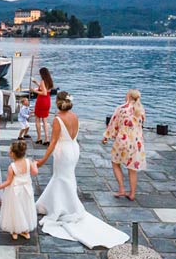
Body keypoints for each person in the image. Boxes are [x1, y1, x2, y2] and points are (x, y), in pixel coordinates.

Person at [35, 91, 129, 249]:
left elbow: (52, 143)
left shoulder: (58, 120)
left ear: (58, 102)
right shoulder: (75, 116)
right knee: (66, 178)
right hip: (74, 149)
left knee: (60, 178)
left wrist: (43, 160)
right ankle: (59, 203)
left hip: (63, 152)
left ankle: (62, 207)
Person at [102, 89, 147, 201]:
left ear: (128, 96)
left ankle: (122, 188)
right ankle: (132, 193)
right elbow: (141, 125)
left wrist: (106, 137)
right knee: (132, 168)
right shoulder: (141, 110)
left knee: (115, 162)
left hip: (123, 140)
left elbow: (113, 124)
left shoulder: (121, 109)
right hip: (137, 142)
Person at [0, 141, 38, 240]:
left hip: (15, 192)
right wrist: (35, 164)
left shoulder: (12, 167)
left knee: (16, 210)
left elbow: (8, 182)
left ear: (13, 154)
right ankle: (25, 230)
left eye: (10, 150)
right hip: (26, 190)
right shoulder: (29, 162)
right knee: (26, 208)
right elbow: (35, 173)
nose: (9, 152)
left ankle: (15, 230)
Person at [32, 67, 53, 145]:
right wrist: (37, 83)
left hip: (41, 101)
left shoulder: (43, 81)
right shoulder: (49, 81)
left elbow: (43, 93)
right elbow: (46, 90)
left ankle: (39, 138)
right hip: (47, 101)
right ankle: (47, 139)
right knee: (44, 120)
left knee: (37, 119)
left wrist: (35, 91)